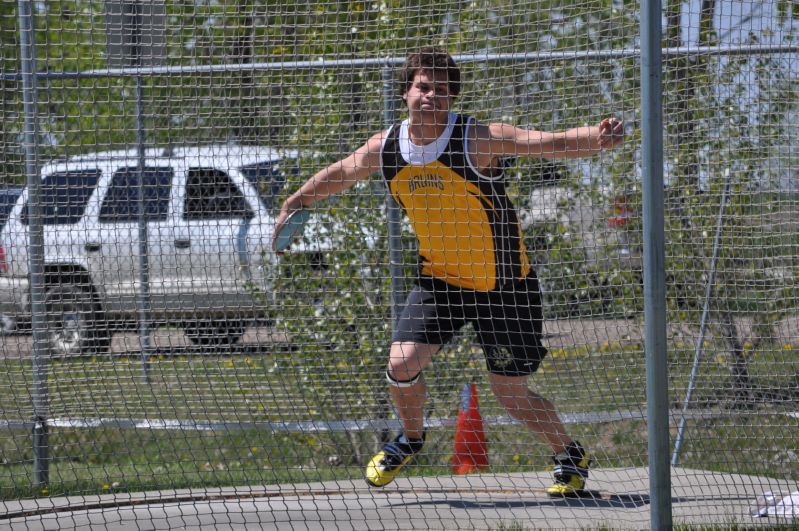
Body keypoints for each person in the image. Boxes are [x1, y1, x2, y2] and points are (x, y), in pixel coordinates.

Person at [274, 46, 624, 496]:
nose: (431, 96)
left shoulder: (474, 138)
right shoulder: (385, 149)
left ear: (452, 99)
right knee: (401, 364)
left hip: (505, 286)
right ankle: (412, 439)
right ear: (406, 92)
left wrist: (595, 138)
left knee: (509, 394)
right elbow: (339, 173)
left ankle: (568, 455)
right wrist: (294, 203)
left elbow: (545, 142)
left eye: (441, 90)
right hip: (441, 281)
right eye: (423, 86)